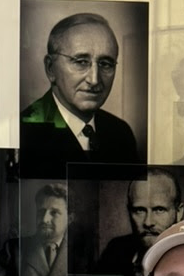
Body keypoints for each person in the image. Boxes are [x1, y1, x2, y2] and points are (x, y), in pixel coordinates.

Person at [20, 13, 141, 173]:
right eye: (81, 62)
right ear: (50, 68)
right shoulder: (23, 134)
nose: (94, 79)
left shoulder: (121, 133)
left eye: (106, 64)